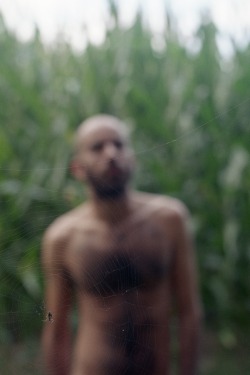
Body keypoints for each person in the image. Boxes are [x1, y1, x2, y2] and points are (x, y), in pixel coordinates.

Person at [41, 114, 202, 375]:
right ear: (77, 168)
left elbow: (189, 311)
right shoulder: (62, 238)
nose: (111, 153)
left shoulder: (169, 221)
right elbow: (54, 326)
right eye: (97, 147)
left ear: (133, 157)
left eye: (119, 144)